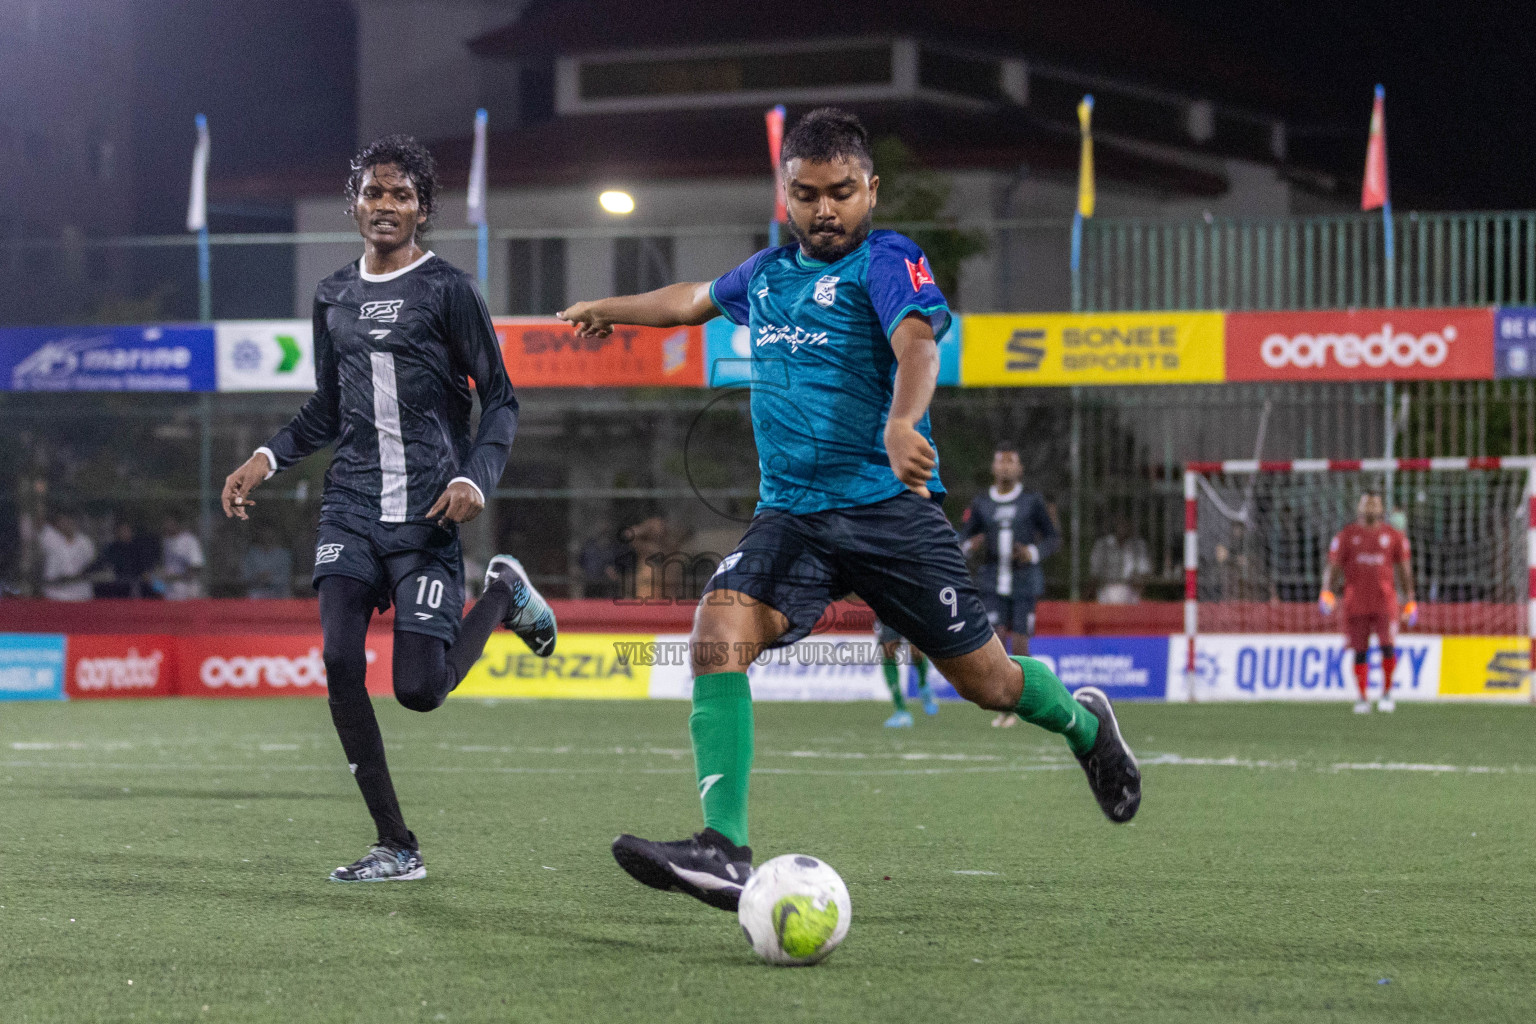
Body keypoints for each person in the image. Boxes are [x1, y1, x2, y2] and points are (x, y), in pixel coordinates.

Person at [559, 107, 1140, 913]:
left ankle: (1084, 727)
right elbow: (691, 298)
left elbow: (918, 343)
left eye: (840, 192)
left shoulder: (887, 258)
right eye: (806, 194)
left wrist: (902, 422)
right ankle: (723, 848)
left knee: (991, 684)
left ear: (872, 189)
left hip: (887, 513)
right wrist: (610, 308)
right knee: (717, 629)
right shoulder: (765, 275)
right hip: (791, 516)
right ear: (784, 193)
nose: (824, 210)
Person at [219, 135, 557, 882]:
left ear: (423, 210)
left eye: (401, 194)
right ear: (354, 204)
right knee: (340, 660)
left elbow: (500, 399)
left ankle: (505, 594)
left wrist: (477, 477)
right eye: (374, 192)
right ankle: (396, 845)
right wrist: (266, 456)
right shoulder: (332, 295)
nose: (385, 205)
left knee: (420, 691)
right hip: (351, 507)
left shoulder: (450, 290)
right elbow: (330, 408)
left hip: (429, 511)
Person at [961, 443, 1060, 727]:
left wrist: (1033, 552)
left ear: (1020, 469)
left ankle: (1024, 704)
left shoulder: (1032, 502)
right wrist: (970, 544)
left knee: (1019, 643)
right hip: (992, 582)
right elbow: (963, 539)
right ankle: (1003, 705)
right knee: (994, 643)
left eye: (1011, 462)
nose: (1005, 467)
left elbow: (1053, 538)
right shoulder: (981, 503)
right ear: (993, 468)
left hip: (1024, 583)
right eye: (1000, 462)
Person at [1319, 491, 1416, 714]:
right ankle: (1362, 697)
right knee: (1359, 650)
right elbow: (1333, 568)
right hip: (1356, 603)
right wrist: (1326, 592)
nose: (1371, 508)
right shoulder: (1347, 535)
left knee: (1387, 647)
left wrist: (1410, 599)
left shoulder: (1393, 536)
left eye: (1375, 504)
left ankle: (1387, 693)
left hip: (1385, 601)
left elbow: (1404, 570)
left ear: (1381, 508)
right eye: (1366, 503)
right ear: (1359, 507)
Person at [873, 616, 938, 727]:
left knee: (916, 651)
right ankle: (901, 710)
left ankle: (923, 685)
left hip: (910, 607)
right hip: (889, 610)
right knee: (888, 652)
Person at [1089, 515, 1151, 604]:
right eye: (1119, 522)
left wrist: (1137, 586)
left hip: (1131, 595)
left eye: (1125, 522)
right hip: (1106, 594)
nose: (1122, 526)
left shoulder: (1139, 545)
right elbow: (1094, 574)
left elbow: (1144, 573)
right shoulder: (1102, 544)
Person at [92, 521, 161, 598]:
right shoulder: (113, 548)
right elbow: (101, 562)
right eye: (121, 531)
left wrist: (157, 586)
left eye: (126, 530)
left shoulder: (138, 547)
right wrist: (84, 572)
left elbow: (146, 567)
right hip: (120, 585)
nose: (124, 533)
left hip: (139, 585)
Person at [38, 511, 95, 601]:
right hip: (55, 594)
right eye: (62, 521)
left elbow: (91, 565)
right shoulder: (50, 539)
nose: (66, 524)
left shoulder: (85, 542)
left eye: (69, 521)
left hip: (81, 593)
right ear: (57, 523)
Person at [158, 516, 206, 600]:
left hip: (187, 590)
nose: (167, 526)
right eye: (165, 523)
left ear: (176, 523)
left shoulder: (189, 540)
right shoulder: (166, 541)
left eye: (170, 523)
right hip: (170, 591)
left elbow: (196, 567)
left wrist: (175, 577)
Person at [240, 528, 294, 598]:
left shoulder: (283, 554)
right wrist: (258, 577)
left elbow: (287, 577)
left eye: (270, 533)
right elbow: (245, 576)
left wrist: (271, 578)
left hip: (279, 592)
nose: (267, 536)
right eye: (264, 533)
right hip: (256, 591)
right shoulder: (251, 554)